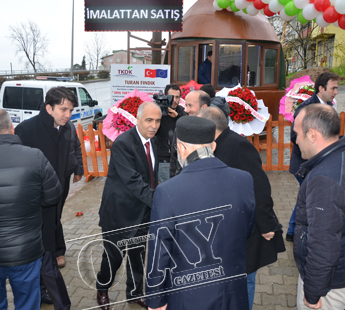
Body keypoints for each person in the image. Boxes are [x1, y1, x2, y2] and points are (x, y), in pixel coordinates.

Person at [145, 116, 256, 310]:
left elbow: (160, 252)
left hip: (190, 297)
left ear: (181, 148)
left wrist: (155, 300)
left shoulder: (168, 191)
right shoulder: (244, 179)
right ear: (212, 146)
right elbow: (246, 230)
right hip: (233, 293)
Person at [198, 107, 286, 309]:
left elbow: (259, 187)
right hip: (223, 228)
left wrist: (266, 225)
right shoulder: (212, 145)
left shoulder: (238, 146)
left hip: (245, 228)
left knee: (244, 277)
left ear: (211, 128)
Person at [15, 87, 79, 310]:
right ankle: (41, 289)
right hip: (32, 203)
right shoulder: (26, 130)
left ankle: (43, 288)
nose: (68, 115)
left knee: (49, 241)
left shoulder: (66, 128)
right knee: (39, 250)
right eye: (63, 109)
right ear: (49, 107)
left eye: (70, 110)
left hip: (56, 198)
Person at [96, 102, 161, 310]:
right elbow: (133, 182)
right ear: (138, 119)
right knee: (113, 256)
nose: (154, 125)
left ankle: (134, 293)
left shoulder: (154, 142)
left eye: (158, 120)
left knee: (138, 254)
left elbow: (152, 177)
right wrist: (162, 202)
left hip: (143, 211)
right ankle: (102, 289)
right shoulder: (123, 143)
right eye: (149, 120)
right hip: (120, 212)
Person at [0, 109, 62, 310]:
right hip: (26, 249)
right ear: (12, 128)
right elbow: (53, 195)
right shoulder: (35, 156)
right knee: (28, 303)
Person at [293, 104, 345, 309]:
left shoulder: (323, 178)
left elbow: (323, 243)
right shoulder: (338, 158)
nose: (295, 141)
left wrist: (313, 292)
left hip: (329, 288)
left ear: (312, 135)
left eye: (297, 134)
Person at [286, 72, 339, 242]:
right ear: (321, 88)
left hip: (319, 163)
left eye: (337, 88)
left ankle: (292, 231)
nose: (336, 92)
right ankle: (297, 232)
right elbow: (295, 136)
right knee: (310, 198)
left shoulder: (330, 105)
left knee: (306, 196)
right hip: (305, 164)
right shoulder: (306, 108)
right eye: (333, 88)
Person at [169, 90, 211, 178]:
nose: (186, 110)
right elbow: (174, 161)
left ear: (204, 107)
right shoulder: (180, 130)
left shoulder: (215, 131)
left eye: (190, 106)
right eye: (186, 105)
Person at [155, 84, 185, 183]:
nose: (174, 100)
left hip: (179, 160)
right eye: (171, 96)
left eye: (177, 97)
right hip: (164, 160)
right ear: (165, 96)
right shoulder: (157, 111)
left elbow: (186, 131)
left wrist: (177, 118)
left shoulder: (182, 112)